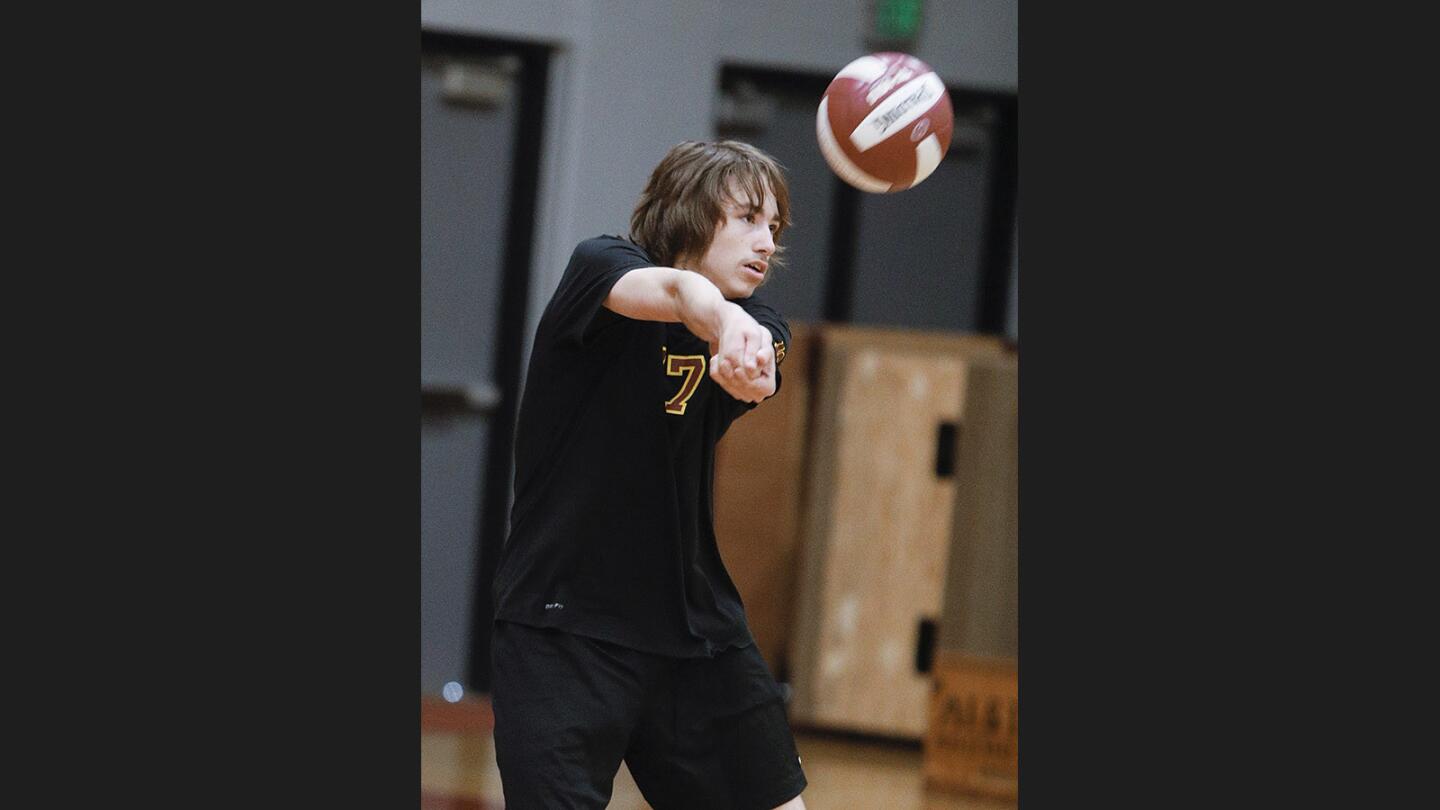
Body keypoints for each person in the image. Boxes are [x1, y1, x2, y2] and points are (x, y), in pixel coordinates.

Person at [490, 140, 808, 810]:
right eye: (748, 217)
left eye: (773, 227)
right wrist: (723, 323)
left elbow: (761, 372)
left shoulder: (761, 327)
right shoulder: (601, 269)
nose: (765, 241)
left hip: (697, 634)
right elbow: (674, 290)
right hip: (565, 629)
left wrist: (750, 362)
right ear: (691, 210)